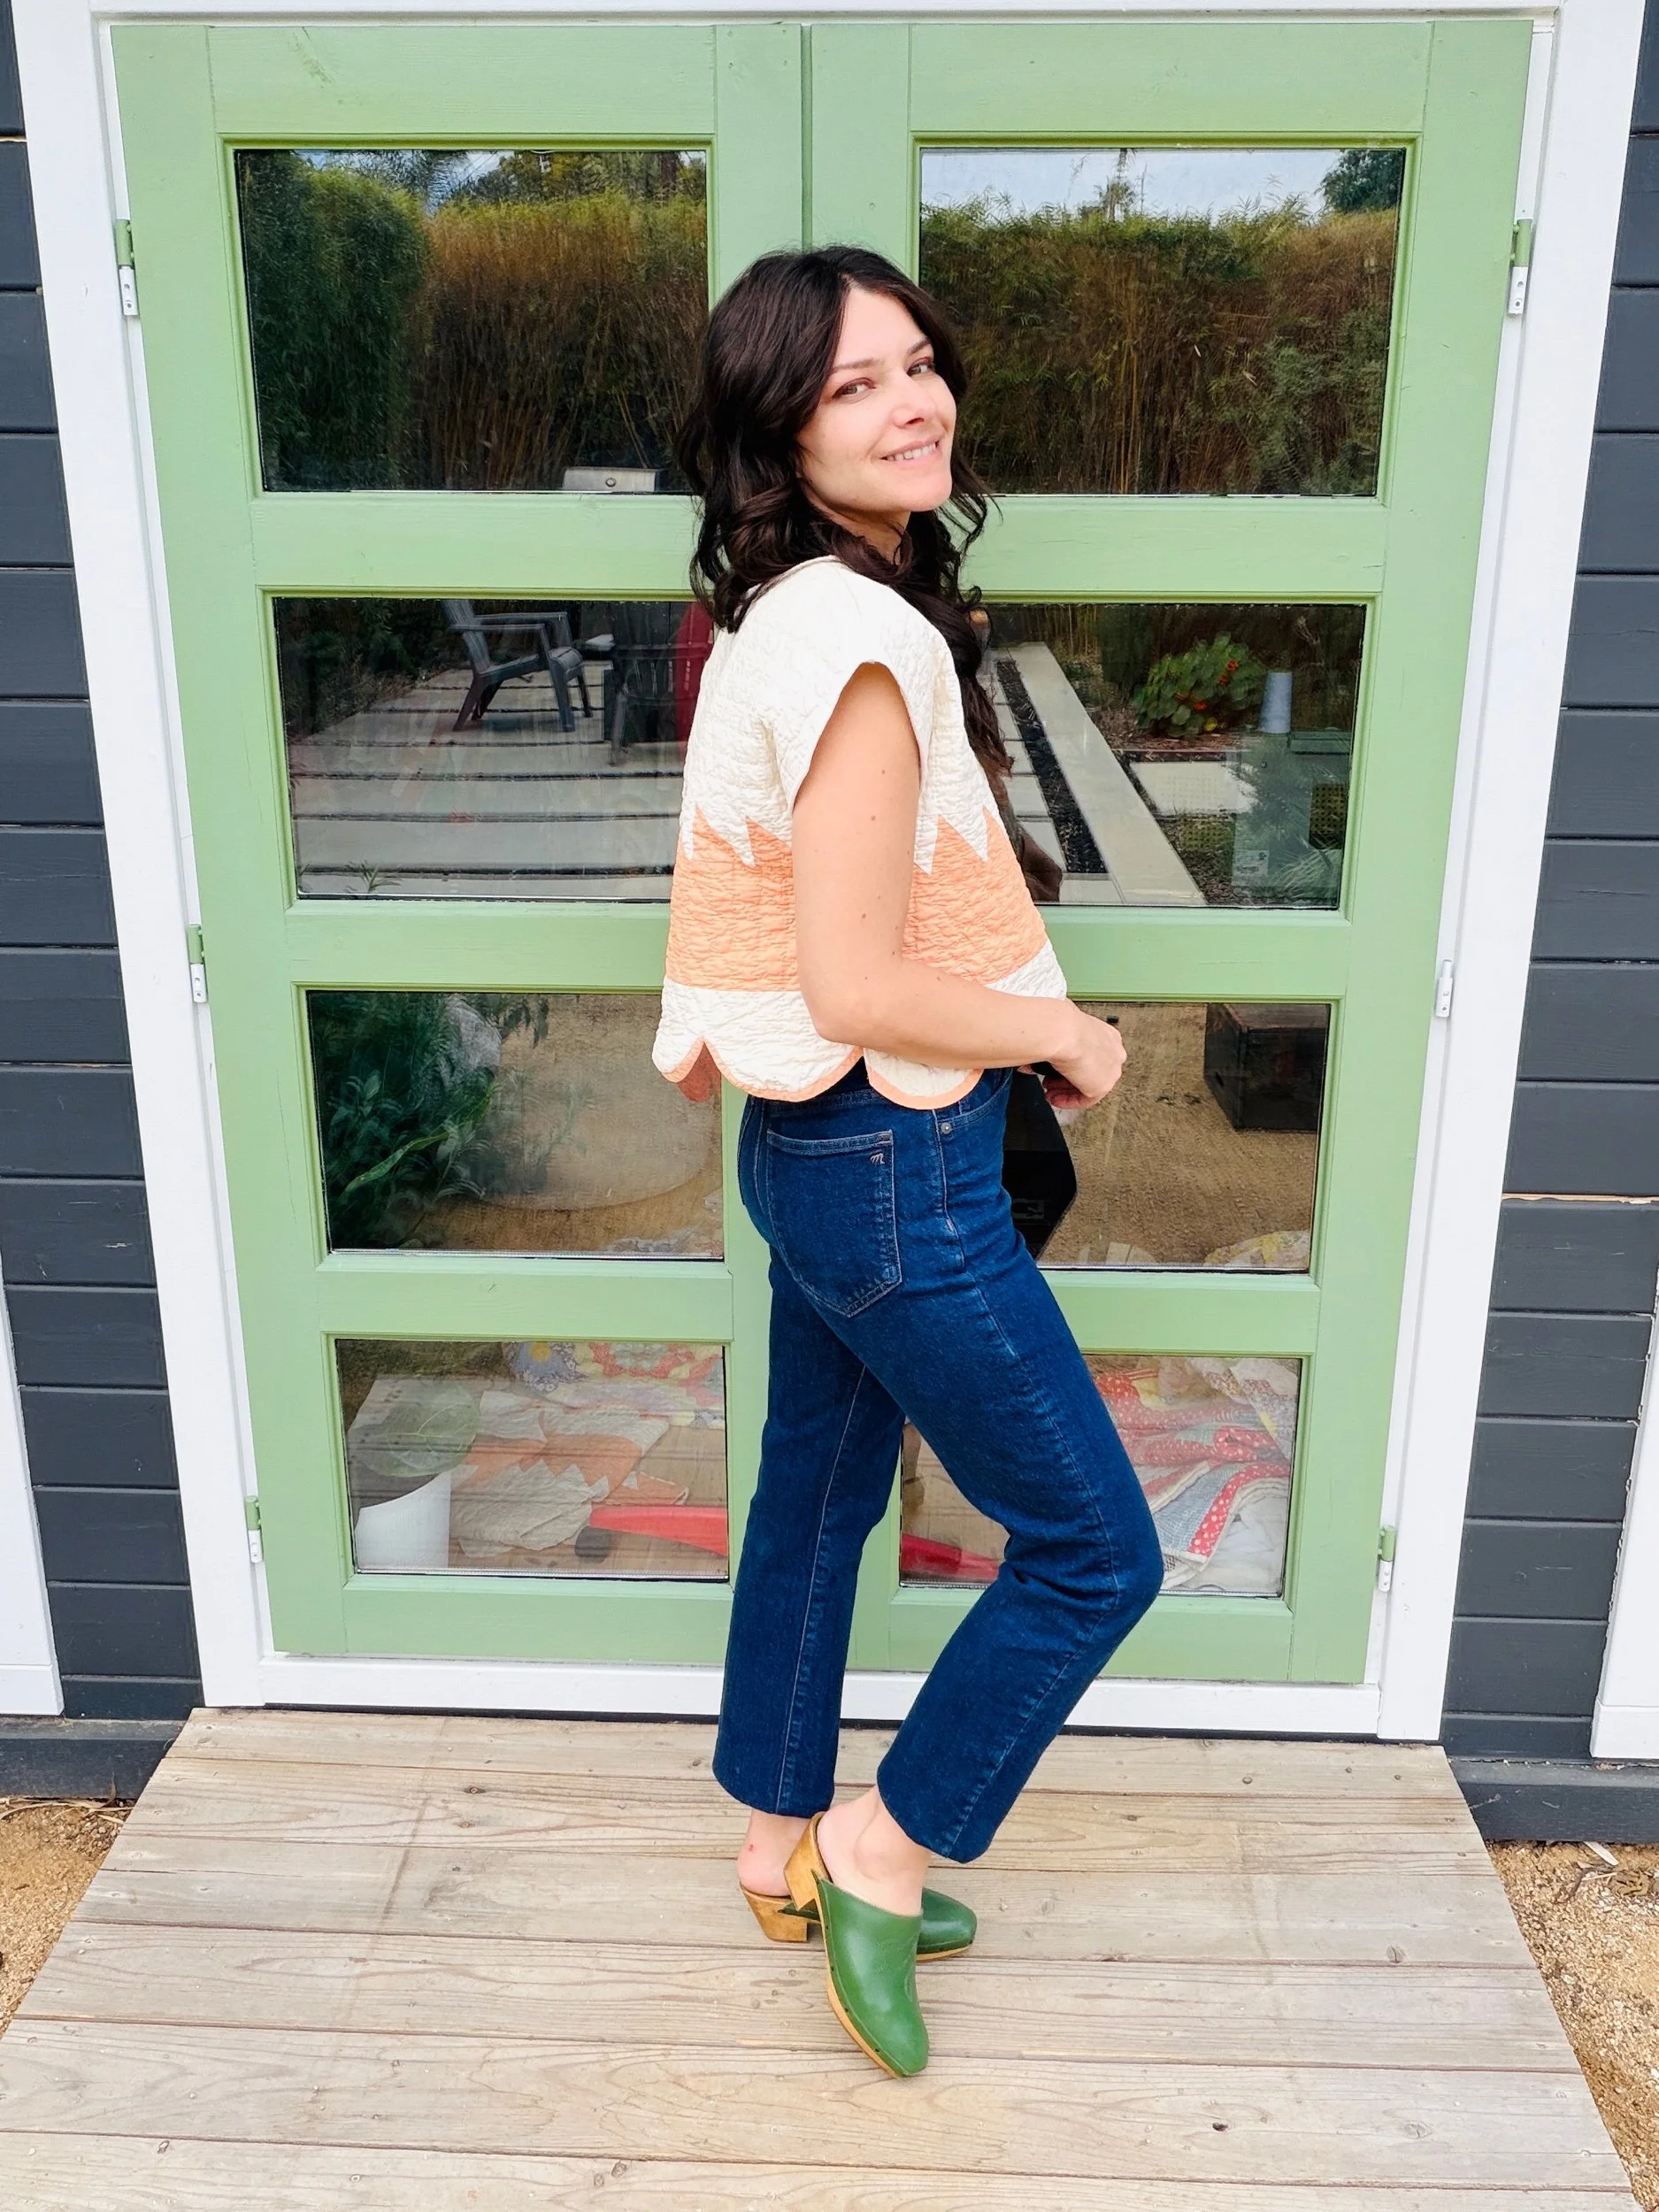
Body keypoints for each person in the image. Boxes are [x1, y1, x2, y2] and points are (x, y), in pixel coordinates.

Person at [652, 246, 1164, 2078]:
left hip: (807, 1147)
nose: (912, 402)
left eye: (920, 363)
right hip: (889, 1156)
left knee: (812, 1493)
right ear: (778, 434)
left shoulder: (786, 610)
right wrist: (1062, 1032)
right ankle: (883, 1849)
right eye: (854, 383)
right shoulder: (859, 643)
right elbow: (858, 981)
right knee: (1094, 1553)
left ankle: (777, 1838)